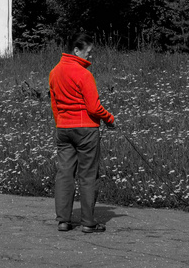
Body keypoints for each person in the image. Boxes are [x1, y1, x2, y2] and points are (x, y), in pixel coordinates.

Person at [48, 31, 115, 233]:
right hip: (86, 129)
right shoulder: (84, 74)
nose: (89, 56)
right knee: (87, 175)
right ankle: (88, 222)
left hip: (63, 129)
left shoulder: (54, 72)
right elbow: (94, 108)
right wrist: (109, 118)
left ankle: (63, 221)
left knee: (65, 174)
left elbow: (54, 104)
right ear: (76, 50)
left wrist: (61, 123)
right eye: (88, 52)